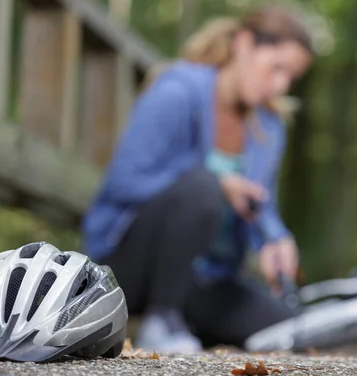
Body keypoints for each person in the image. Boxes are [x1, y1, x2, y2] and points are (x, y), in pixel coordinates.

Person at [81, 3, 313, 353]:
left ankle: (184, 328)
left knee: (286, 328)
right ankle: (162, 319)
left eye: (289, 77)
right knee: (203, 188)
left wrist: (275, 239)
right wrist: (219, 185)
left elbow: (262, 206)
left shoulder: (269, 126)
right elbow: (124, 181)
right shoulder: (178, 91)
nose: (279, 85)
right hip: (130, 267)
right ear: (245, 43)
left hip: (205, 280)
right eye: (276, 68)